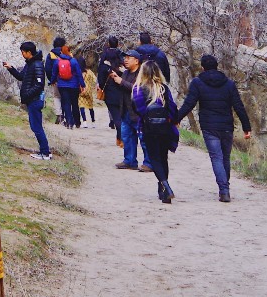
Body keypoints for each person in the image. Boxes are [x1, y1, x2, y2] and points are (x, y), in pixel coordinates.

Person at [175, 53, 254, 203]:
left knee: (216, 157)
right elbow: (238, 106)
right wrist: (246, 127)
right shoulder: (229, 83)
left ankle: (224, 190)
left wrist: (176, 118)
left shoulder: (198, 83)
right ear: (217, 67)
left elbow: (189, 103)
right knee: (225, 158)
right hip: (226, 126)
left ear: (203, 68)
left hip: (209, 126)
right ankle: (225, 189)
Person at [134, 59, 181, 203]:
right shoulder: (163, 88)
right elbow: (172, 107)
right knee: (163, 158)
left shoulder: (138, 89)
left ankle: (166, 186)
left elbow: (138, 109)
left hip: (149, 128)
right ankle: (163, 192)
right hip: (165, 128)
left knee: (154, 159)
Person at [3, 40, 53, 159]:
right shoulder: (30, 64)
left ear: (29, 52)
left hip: (35, 101)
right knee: (35, 126)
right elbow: (21, 77)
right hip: (32, 100)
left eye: (23, 52)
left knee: (36, 126)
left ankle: (45, 152)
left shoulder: (37, 65)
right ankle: (45, 151)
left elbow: (39, 85)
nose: (22, 54)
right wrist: (11, 68)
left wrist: (27, 95)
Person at [94, 37, 130, 134]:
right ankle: (121, 137)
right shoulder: (122, 57)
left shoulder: (104, 58)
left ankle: (120, 135)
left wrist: (101, 87)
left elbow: (101, 76)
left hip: (109, 90)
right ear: (118, 44)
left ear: (108, 44)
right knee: (122, 114)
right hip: (122, 90)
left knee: (115, 115)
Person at [51, 39, 86, 128]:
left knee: (66, 104)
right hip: (74, 86)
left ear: (61, 52)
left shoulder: (57, 61)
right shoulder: (73, 61)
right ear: (69, 52)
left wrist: (52, 81)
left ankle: (69, 123)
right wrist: (82, 85)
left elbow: (54, 73)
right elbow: (79, 74)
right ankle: (77, 122)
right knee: (74, 103)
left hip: (62, 86)